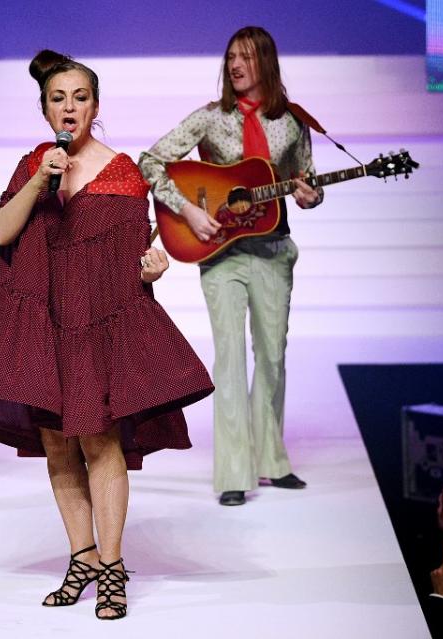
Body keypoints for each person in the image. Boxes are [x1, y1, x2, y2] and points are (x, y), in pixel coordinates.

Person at [0, 50, 213, 620]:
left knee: (99, 439)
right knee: (55, 442)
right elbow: (2, 232)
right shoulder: (33, 166)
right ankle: (83, 556)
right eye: (57, 98)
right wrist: (41, 180)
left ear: (96, 105)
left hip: (95, 321)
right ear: (44, 108)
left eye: (80, 97)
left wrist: (152, 266)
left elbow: (136, 250)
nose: (69, 107)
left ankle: (114, 567)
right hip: (45, 320)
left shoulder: (122, 170)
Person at [139, 26, 324, 506]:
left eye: (246, 57)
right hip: (220, 252)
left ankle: (271, 461)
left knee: (273, 357)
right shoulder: (210, 118)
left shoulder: (293, 122)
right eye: (230, 58)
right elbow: (150, 161)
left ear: (266, 62)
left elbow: (308, 183)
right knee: (230, 356)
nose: (236, 66)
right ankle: (234, 475)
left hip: (273, 249)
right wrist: (188, 210)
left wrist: (310, 195)